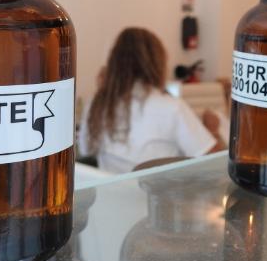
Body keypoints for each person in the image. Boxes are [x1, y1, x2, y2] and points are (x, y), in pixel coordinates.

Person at [78, 28, 225, 173]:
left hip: (112, 188)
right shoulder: (172, 108)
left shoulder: (96, 105)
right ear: (156, 63)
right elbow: (214, 164)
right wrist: (212, 130)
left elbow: (85, 150)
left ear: (114, 63)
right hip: (157, 189)